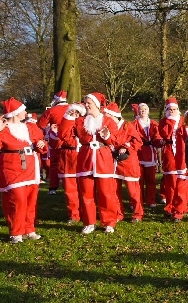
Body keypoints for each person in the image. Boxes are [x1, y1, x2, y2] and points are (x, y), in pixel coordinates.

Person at [59, 92, 120, 234]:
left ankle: (109, 221)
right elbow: (63, 135)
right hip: (85, 158)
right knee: (86, 193)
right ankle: (89, 222)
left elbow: (116, 141)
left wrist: (108, 137)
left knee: (106, 193)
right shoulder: (80, 121)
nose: (86, 105)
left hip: (103, 158)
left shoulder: (108, 121)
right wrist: (69, 116)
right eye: (85, 102)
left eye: (89, 103)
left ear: (97, 105)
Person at [0, 98, 47, 243]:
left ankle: (29, 229)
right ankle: (16, 232)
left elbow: (42, 144)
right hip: (12, 168)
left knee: (31, 200)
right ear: (15, 113)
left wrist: (41, 144)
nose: (26, 112)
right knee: (17, 200)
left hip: (31, 168)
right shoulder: (4, 129)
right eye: (23, 110)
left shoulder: (30, 127)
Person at [104, 103, 145, 223]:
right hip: (113, 162)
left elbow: (137, 141)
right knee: (114, 190)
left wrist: (126, 147)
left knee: (133, 191)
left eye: (107, 116)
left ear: (113, 116)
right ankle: (118, 213)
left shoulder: (127, 126)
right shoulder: (106, 127)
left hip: (128, 162)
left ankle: (138, 213)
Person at [159, 97, 188, 218]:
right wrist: (169, 121)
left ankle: (183, 205)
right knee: (171, 181)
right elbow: (164, 134)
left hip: (183, 152)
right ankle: (170, 205)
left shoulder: (183, 120)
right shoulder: (164, 121)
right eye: (170, 109)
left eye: (174, 109)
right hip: (169, 152)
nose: (172, 111)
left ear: (178, 109)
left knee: (183, 181)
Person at [37, 90, 69, 195]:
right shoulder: (73, 108)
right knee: (69, 164)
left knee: (54, 164)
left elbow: (40, 125)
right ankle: (69, 185)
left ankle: (53, 188)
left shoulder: (52, 110)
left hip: (56, 139)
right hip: (71, 139)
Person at [132, 103, 162, 208]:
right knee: (138, 180)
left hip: (150, 154)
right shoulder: (134, 124)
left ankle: (151, 200)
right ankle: (137, 201)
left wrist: (160, 142)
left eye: (145, 109)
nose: (142, 111)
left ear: (148, 111)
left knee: (151, 180)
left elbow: (158, 137)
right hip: (138, 154)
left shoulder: (154, 124)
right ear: (138, 112)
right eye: (140, 110)